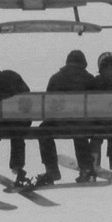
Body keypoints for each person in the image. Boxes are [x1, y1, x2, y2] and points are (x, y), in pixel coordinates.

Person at [36, 49, 96, 185]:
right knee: (80, 131)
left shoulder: (56, 78)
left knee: (42, 131)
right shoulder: (90, 79)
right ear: (83, 63)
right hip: (83, 123)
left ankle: (52, 170)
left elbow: (48, 103)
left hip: (59, 122)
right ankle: (86, 167)